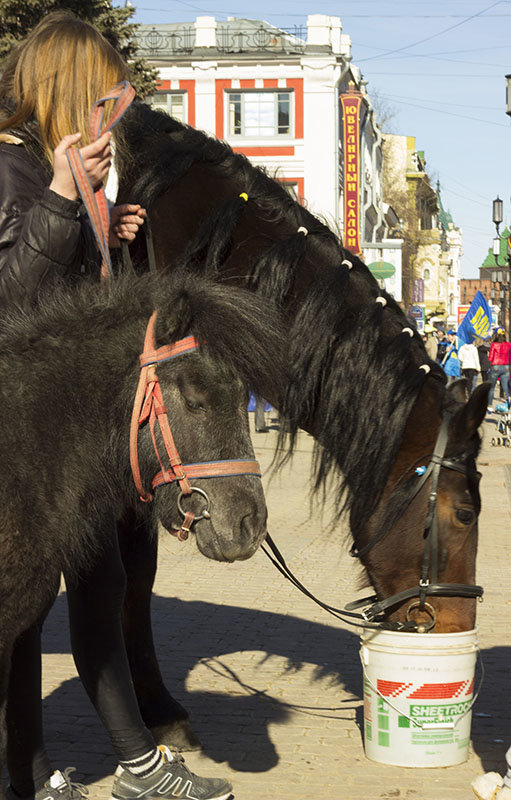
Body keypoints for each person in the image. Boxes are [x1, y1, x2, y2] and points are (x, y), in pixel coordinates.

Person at [0, 12, 232, 800]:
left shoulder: (64, 179)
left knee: (101, 589)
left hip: (79, 437)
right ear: (66, 90)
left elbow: (81, 301)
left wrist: (111, 231)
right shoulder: (10, 169)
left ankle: (133, 762)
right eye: (103, 97)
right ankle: (30, 771)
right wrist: (67, 200)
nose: (113, 114)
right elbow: (13, 307)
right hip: (25, 442)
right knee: (22, 613)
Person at [487, 327, 511, 411]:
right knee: (506, 387)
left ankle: (489, 406)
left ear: (496, 335)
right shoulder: (508, 344)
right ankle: (509, 403)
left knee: (492, 387)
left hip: (496, 366)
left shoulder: (494, 344)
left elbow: (490, 358)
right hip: (506, 367)